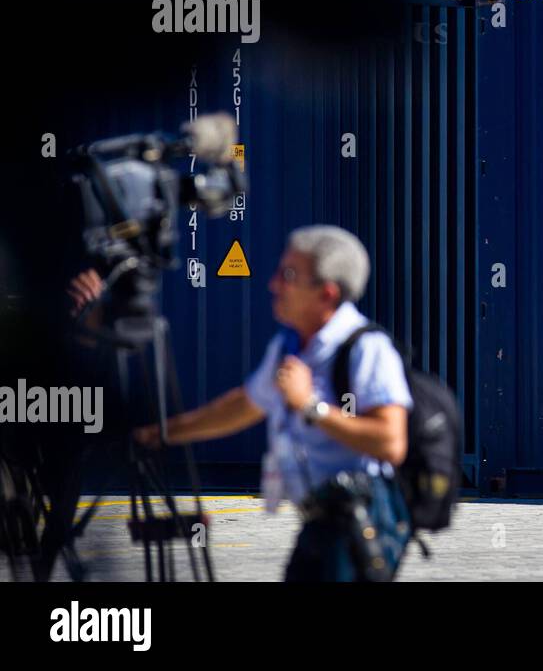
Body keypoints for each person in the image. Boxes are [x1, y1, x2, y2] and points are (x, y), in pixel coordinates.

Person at [134, 225, 414, 580]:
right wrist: (161, 433)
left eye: (289, 275)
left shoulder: (365, 348)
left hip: (361, 520)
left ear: (326, 293)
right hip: (320, 521)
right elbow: (245, 405)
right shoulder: (291, 346)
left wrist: (310, 405)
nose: (274, 284)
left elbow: (390, 442)